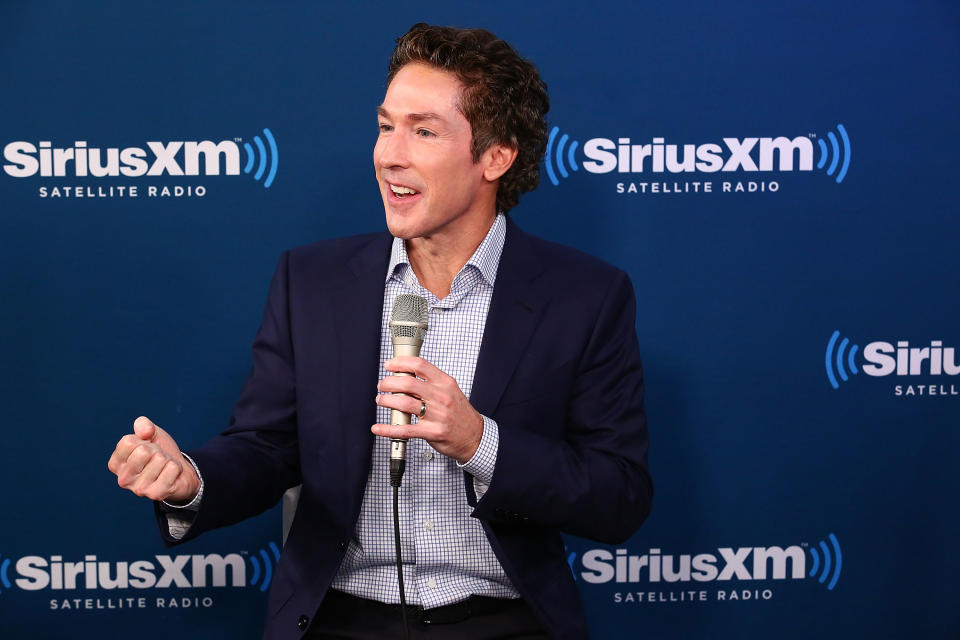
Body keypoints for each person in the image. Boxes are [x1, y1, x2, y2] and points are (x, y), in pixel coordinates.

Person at [107, 23, 652, 640]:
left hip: (505, 622)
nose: (390, 154)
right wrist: (190, 481)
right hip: (336, 619)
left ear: (496, 157)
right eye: (386, 125)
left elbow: (618, 498)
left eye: (423, 131)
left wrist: (480, 443)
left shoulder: (585, 296)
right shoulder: (310, 280)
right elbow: (265, 447)